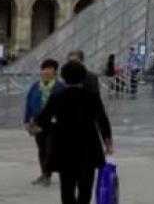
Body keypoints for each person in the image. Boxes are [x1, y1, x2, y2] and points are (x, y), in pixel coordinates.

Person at [34, 61, 113, 204]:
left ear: (63, 77)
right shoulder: (92, 96)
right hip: (88, 147)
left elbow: (43, 119)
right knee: (85, 188)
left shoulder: (57, 97)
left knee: (67, 188)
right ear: (83, 77)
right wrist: (107, 142)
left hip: (64, 147)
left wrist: (48, 126)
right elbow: (102, 120)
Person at [23, 58, 64, 187]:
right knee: (41, 149)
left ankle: (47, 175)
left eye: (49, 69)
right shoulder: (35, 87)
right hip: (37, 122)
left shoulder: (60, 87)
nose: (46, 71)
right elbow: (29, 104)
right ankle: (44, 173)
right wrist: (26, 120)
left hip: (54, 123)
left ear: (55, 72)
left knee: (50, 149)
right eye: (44, 69)